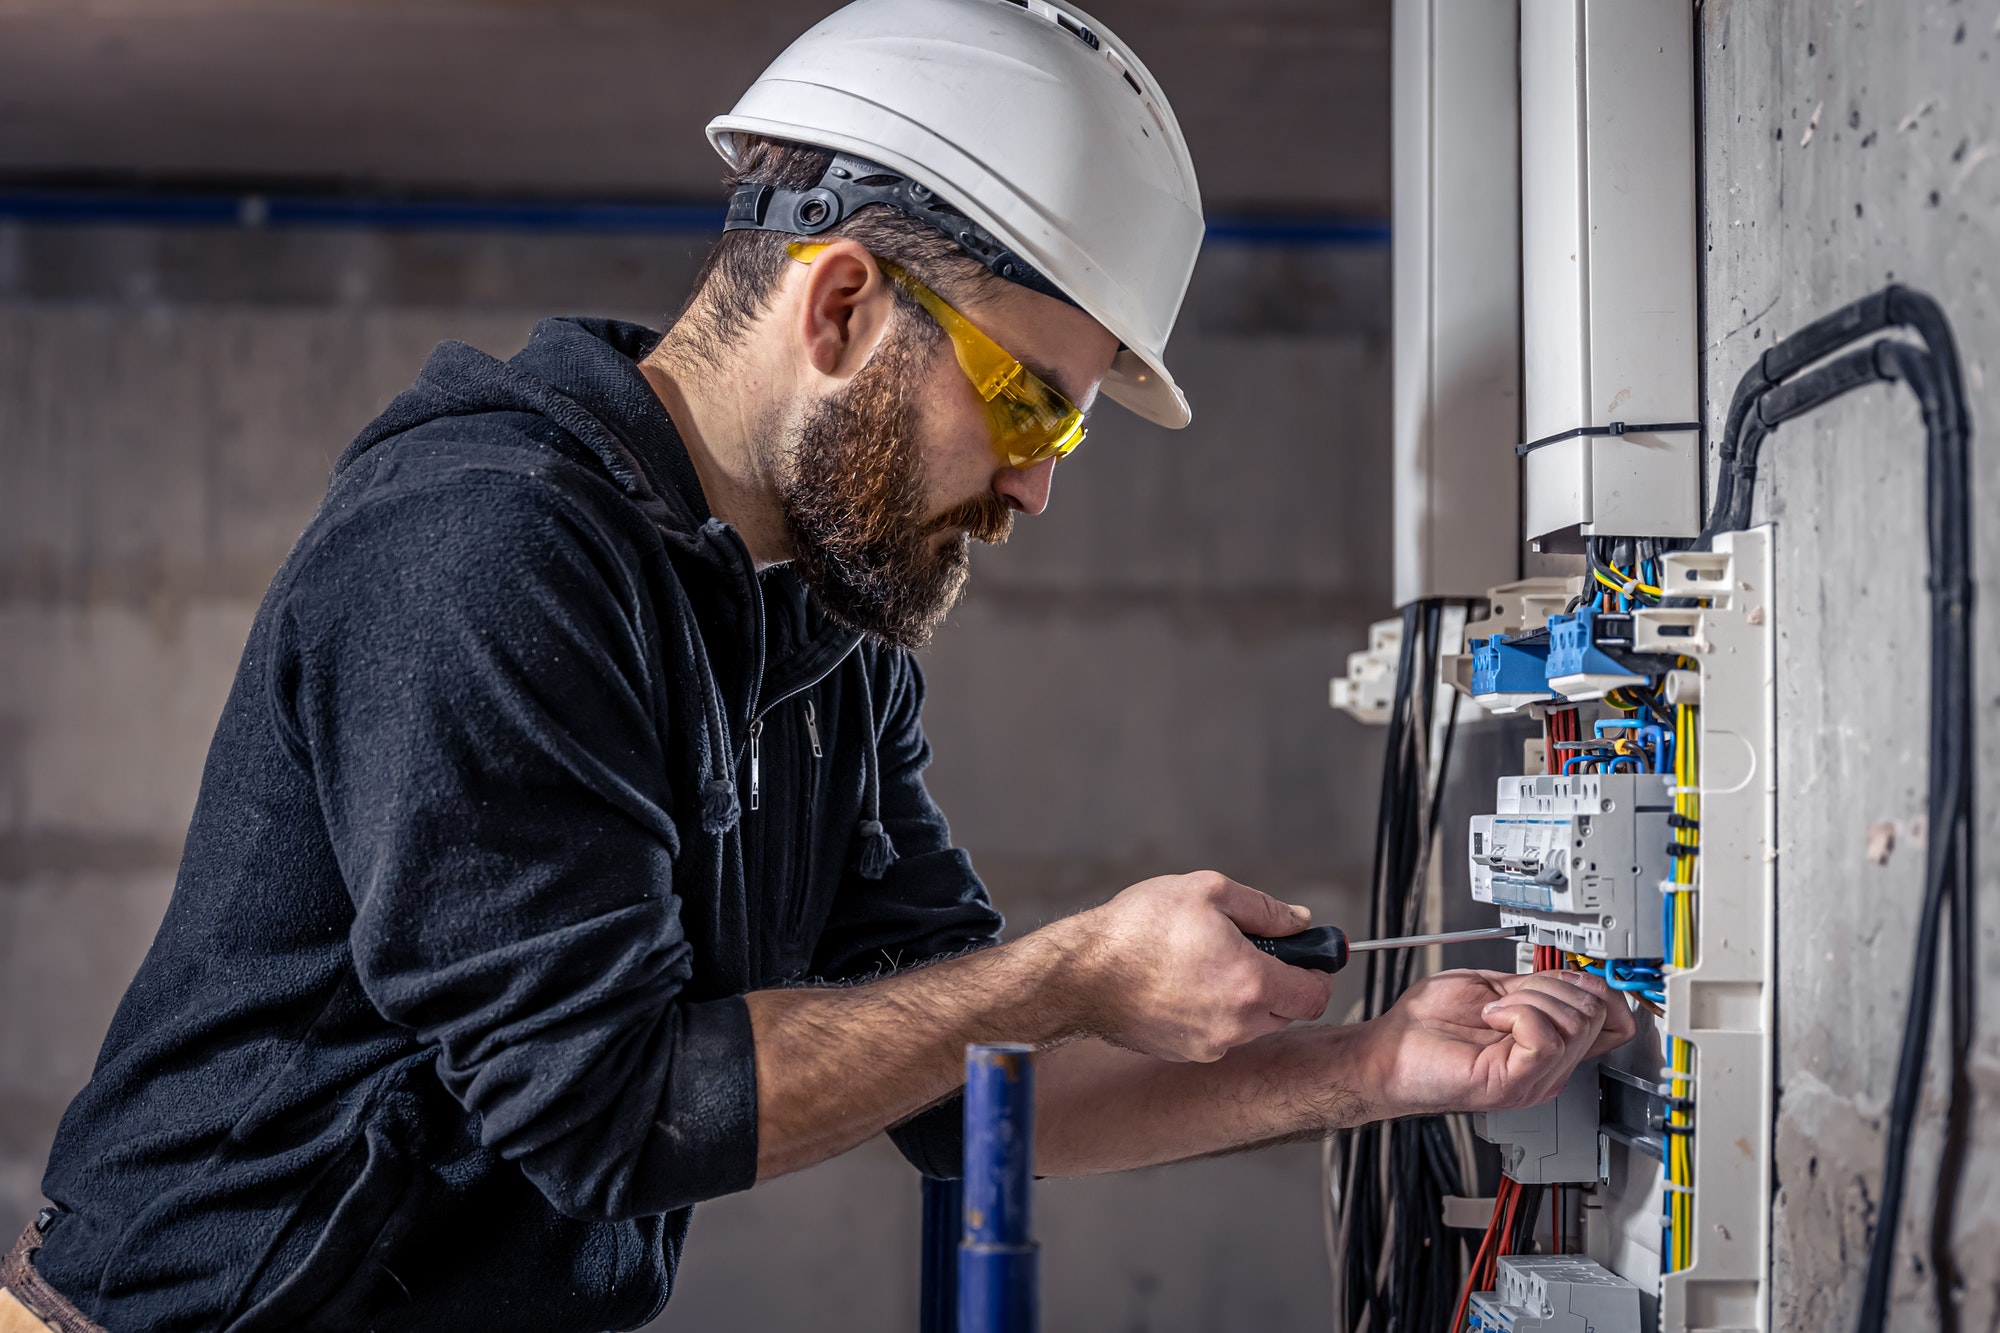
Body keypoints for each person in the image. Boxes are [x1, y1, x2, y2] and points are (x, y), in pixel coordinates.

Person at [3, 2, 1632, 1330]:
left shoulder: (829, 645)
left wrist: (1372, 1067)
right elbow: (613, 1111)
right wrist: (1069, 966)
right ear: (842, 302)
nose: (1039, 482)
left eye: (1065, 425)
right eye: (1026, 403)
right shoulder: (487, 551)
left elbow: (965, 1091)